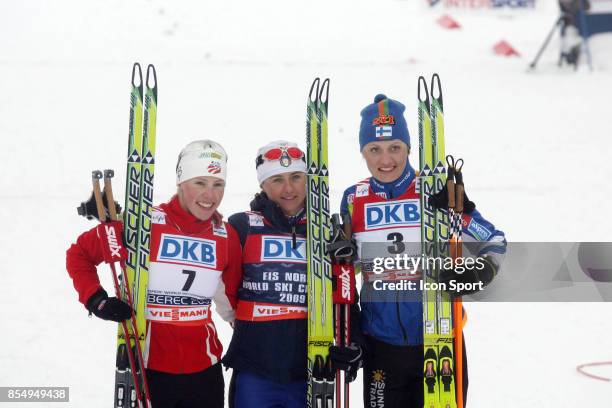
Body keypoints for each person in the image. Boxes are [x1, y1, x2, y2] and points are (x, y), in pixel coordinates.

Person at [339, 95, 507, 408]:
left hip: (439, 339)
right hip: (381, 345)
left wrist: (484, 268)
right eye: (374, 149)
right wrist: (343, 260)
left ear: (408, 148)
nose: (385, 159)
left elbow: (494, 239)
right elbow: (352, 269)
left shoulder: (436, 192)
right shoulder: (353, 199)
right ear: (363, 152)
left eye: (395, 148)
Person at [66, 140, 241, 408]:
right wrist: (96, 299)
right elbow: (80, 254)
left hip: (205, 369)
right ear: (181, 182)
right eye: (200, 183)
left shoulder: (224, 234)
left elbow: (231, 300)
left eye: (218, 184)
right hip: (148, 365)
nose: (210, 194)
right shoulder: (144, 224)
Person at [222, 140, 364, 408]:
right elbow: (223, 284)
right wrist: (241, 320)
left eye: (296, 177)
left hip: (311, 369)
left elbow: (345, 294)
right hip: (255, 369)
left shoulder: (327, 231)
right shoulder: (242, 225)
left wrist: (353, 343)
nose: (289, 189)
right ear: (263, 184)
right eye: (277, 180)